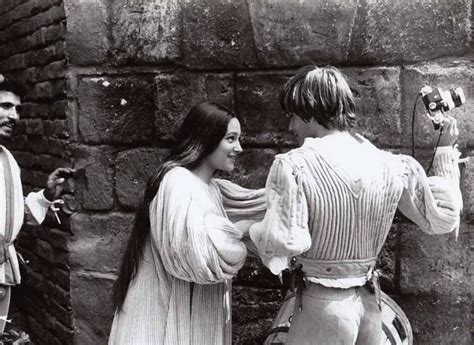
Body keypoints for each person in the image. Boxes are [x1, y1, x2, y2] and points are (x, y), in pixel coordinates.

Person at [249, 66, 462, 344]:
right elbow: (443, 217)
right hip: (371, 305)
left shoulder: (294, 165)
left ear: (310, 111)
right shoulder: (391, 165)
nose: (291, 128)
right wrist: (444, 150)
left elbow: (284, 243)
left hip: (322, 304)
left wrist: (248, 230)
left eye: (292, 117)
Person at [109, 102, 266, 345]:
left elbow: (257, 204)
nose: (239, 148)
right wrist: (243, 229)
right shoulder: (177, 182)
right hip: (164, 313)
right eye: (231, 139)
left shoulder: (212, 189)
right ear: (207, 138)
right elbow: (197, 258)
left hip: (195, 310)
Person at [0, 75, 75, 333]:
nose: (14, 116)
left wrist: (46, 195)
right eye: (5, 106)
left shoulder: (7, 159)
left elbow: (11, 213)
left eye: (17, 109)